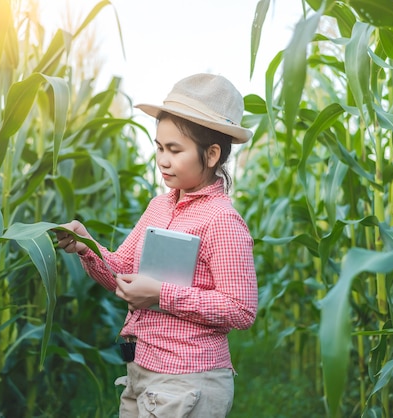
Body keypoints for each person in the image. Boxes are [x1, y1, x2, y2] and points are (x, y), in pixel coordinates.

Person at [54, 73, 258, 417]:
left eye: (175, 150)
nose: (162, 160)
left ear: (211, 154)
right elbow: (122, 273)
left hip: (189, 380)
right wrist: (87, 246)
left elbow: (241, 308)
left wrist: (161, 295)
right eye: (159, 147)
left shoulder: (222, 220)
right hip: (140, 373)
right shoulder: (158, 207)